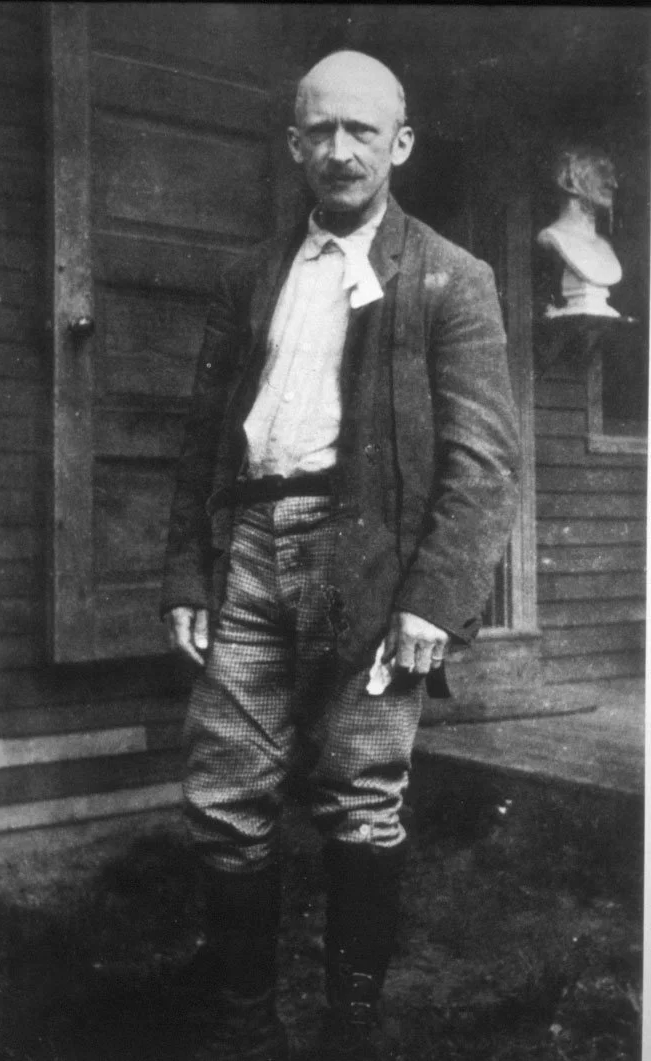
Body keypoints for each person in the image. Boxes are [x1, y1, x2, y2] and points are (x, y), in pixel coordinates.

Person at [161, 50, 520, 1061]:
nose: (339, 149)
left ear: (399, 144)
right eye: (319, 129)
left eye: (362, 129)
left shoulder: (451, 277)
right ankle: (243, 1020)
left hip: (370, 567)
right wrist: (188, 571)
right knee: (226, 792)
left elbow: (486, 462)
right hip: (249, 557)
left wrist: (432, 600)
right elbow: (204, 437)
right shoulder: (251, 275)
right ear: (292, 145)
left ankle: (349, 1027)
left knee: (363, 795)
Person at [536, 146, 622, 317]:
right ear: (569, 181)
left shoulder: (604, 246)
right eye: (602, 172)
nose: (614, 184)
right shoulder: (554, 237)